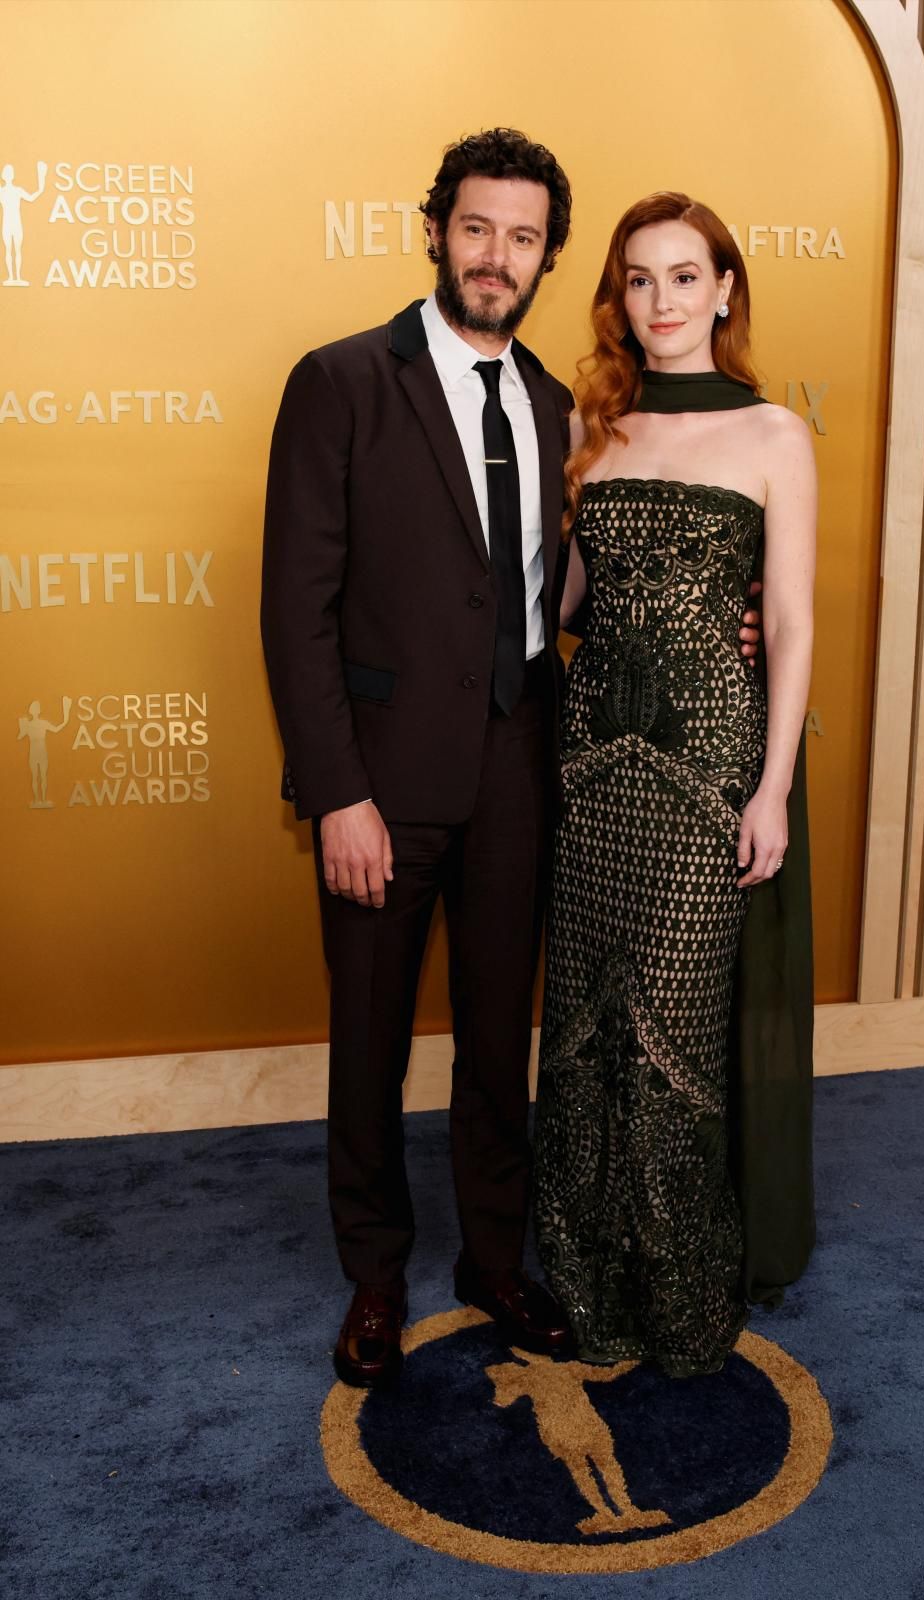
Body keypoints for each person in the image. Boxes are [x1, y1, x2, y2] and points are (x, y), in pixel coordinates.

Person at [262, 135, 764, 1390]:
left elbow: (578, 589)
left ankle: (495, 1260)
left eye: (525, 238)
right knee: (370, 1041)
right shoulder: (340, 383)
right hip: (377, 786)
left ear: (546, 256)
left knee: (499, 1045)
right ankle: (376, 1277)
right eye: (476, 229)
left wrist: (725, 614)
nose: (498, 258)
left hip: (525, 776)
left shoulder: (559, 408)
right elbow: (294, 609)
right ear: (434, 231)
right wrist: (336, 792)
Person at [533, 192, 816, 1376]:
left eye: (683, 277)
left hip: (708, 771)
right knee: (589, 1027)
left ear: (724, 289)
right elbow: (563, 607)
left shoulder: (771, 435)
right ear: (619, 297)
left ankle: (683, 1296)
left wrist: (772, 790)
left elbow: (793, 625)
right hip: (593, 765)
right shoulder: (595, 427)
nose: (661, 302)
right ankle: (589, 1283)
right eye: (638, 280)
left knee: (674, 1032)